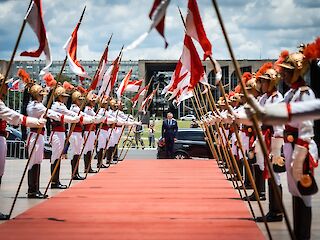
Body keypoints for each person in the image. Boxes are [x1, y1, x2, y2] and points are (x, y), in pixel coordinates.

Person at [0, 75, 46, 220]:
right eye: (5, 85)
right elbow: (14, 117)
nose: (7, 87)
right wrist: (36, 121)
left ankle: (35, 188)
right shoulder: (34, 105)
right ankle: (33, 189)